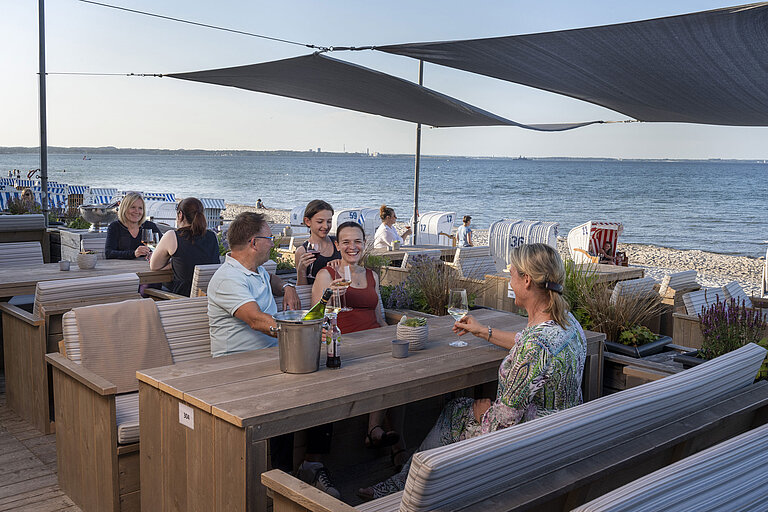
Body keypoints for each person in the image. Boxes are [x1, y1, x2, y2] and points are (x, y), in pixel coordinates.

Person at [358, 243, 587, 500]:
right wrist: (483, 331)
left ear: (526, 280)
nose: (508, 281)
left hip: (530, 445)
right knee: (459, 409)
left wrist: (482, 413)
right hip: (562, 432)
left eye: (511, 274)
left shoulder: (535, 346)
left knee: (455, 414)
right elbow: (526, 342)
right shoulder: (566, 323)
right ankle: (409, 481)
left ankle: (407, 490)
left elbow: (502, 423)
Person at [206, 212, 339, 498]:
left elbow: (273, 279)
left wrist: (288, 286)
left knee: (326, 386)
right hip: (237, 368)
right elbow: (256, 320)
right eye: (270, 238)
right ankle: (282, 480)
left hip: (269, 359)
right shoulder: (228, 278)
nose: (274, 243)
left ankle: (312, 465)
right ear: (254, 243)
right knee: (288, 391)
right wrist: (305, 329)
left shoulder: (255, 270)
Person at [149, 197, 220, 296]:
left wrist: (173, 264)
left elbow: (154, 266)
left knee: (148, 288)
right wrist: (177, 264)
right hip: (207, 298)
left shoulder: (172, 236)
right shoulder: (212, 236)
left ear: (180, 215)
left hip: (180, 300)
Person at [294, 200, 341, 285]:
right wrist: (301, 270)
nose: (326, 226)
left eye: (329, 221)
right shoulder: (302, 252)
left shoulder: (338, 243)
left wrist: (342, 264)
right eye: (320, 222)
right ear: (308, 221)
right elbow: (301, 289)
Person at [105, 192, 161, 260]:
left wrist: (154, 253)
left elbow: (165, 246)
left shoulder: (149, 226)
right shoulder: (115, 227)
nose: (137, 211)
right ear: (124, 209)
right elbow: (109, 253)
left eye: (140, 208)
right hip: (122, 268)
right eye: (133, 207)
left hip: (147, 267)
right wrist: (134, 253)